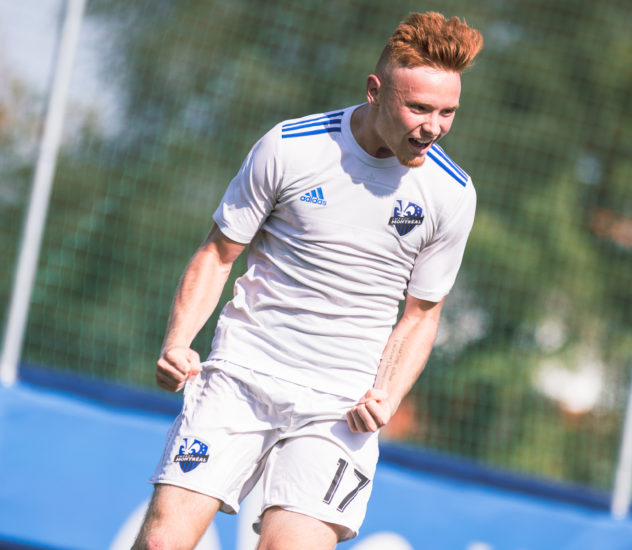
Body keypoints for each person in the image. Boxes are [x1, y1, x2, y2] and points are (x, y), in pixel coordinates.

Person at [133, 11, 483, 550]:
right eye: (418, 107)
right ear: (375, 90)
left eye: (447, 112)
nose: (432, 127)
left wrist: (385, 394)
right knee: (161, 544)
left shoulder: (451, 193)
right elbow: (218, 254)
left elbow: (421, 314)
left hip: (339, 408)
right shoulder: (291, 147)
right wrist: (177, 342)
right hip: (242, 375)